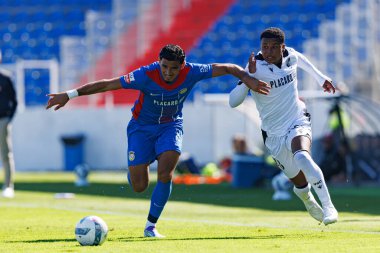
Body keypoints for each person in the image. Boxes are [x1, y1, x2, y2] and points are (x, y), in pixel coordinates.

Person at [46, 44, 270, 237]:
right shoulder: (145, 75)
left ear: (182, 66)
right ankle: (135, 171)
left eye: (174, 68)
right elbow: (107, 84)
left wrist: (247, 78)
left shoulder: (192, 71)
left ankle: (150, 226)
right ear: (159, 62)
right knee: (139, 186)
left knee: (166, 171)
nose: (168, 72)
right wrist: (69, 94)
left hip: (171, 126)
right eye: (164, 66)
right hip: (141, 128)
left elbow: (230, 68)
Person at [229, 27, 338, 225]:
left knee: (303, 156)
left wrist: (321, 78)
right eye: (264, 47)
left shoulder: (291, 56)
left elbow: (301, 60)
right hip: (273, 133)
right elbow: (233, 102)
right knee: (299, 182)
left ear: (282, 47)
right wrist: (247, 79)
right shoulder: (255, 68)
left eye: (272, 48)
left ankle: (329, 205)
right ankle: (307, 198)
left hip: (297, 119)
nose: (268, 52)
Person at [0, 49, 17, 198]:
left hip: (2, 120)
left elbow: (14, 101)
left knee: (5, 153)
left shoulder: (5, 78)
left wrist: (9, 119)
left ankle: (8, 186)